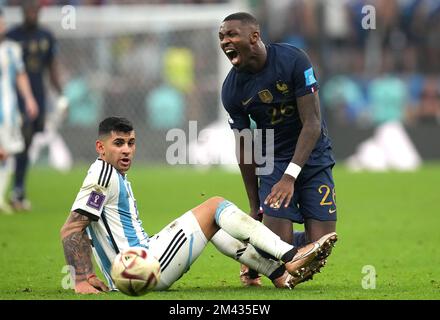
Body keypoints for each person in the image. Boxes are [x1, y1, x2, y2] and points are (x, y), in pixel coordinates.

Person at [60, 117, 337, 294]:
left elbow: (82, 228)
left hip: (132, 272)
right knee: (216, 206)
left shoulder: (111, 175)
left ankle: (277, 274)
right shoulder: (103, 175)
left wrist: (93, 274)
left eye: (131, 143)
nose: (126, 150)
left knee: (214, 225)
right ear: (100, 147)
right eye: (118, 143)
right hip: (143, 265)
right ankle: (290, 256)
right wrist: (82, 279)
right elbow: (73, 227)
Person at [219, 12, 337, 286]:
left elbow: (312, 123)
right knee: (281, 251)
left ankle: (257, 250)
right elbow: (245, 146)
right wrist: (253, 205)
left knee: (321, 245)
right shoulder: (232, 89)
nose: (225, 41)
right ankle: (257, 252)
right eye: (222, 37)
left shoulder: (294, 60)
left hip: (314, 156)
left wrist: (290, 177)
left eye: (232, 35)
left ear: (254, 37)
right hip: (273, 160)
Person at [7, 0, 67, 211]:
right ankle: (16, 190)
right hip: (11, 99)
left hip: (36, 98)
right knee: (15, 142)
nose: (32, 13)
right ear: (22, 12)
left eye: (35, 9)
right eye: (28, 10)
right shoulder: (11, 36)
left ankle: (18, 190)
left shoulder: (46, 36)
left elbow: (52, 68)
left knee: (26, 142)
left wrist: (60, 96)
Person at [0, 9, 38, 214]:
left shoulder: (11, 49)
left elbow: (20, 76)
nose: (2, 27)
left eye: (3, 23)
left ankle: (0, 197)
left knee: (7, 153)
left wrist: (29, 99)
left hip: (7, 112)